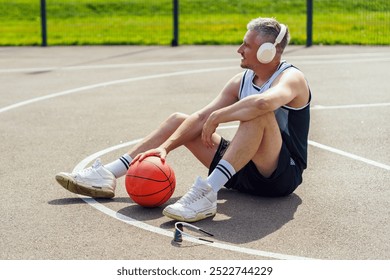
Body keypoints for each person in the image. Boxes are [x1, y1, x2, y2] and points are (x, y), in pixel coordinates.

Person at [56, 17, 311, 223]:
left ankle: (207, 193)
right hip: (240, 172)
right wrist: (165, 147)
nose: (239, 49)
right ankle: (108, 174)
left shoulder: (291, 78)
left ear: (268, 52)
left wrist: (218, 116)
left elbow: (263, 103)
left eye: (246, 45)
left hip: (280, 176)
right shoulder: (241, 80)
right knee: (180, 119)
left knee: (259, 114)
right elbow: (200, 117)